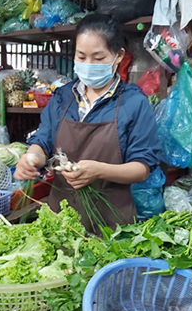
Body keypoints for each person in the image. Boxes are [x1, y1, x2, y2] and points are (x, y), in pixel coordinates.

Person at [14, 14, 162, 233]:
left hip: (111, 222)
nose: (88, 65)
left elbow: (141, 168)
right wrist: (32, 157)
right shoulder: (63, 97)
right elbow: (43, 140)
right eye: (81, 57)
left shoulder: (134, 103)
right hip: (61, 218)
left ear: (119, 56)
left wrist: (99, 170)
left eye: (98, 58)